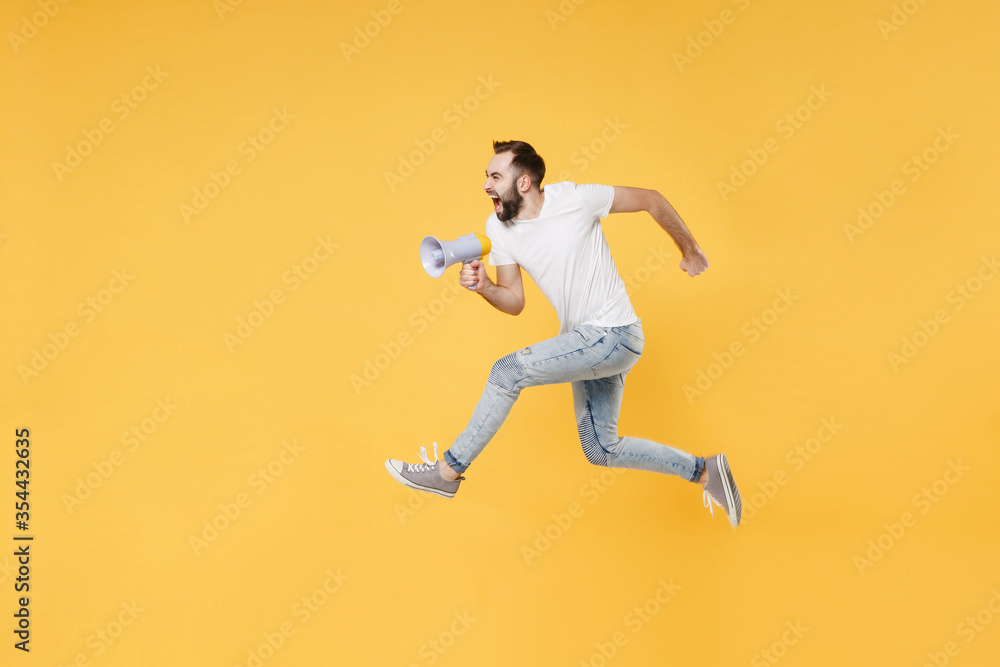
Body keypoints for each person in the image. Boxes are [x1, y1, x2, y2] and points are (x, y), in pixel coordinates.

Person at [385, 140, 742, 527]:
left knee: (507, 372)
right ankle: (705, 472)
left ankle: (447, 472)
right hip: (588, 342)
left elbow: (651, 199)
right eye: (486, 177)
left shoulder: (576, 199)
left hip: (613, 334)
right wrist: (485, 287)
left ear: (523, 183)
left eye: (495, 176)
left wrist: (689, 250)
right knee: (601, 448)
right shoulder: (498, 228)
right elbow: (515, 300)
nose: (486, 185)